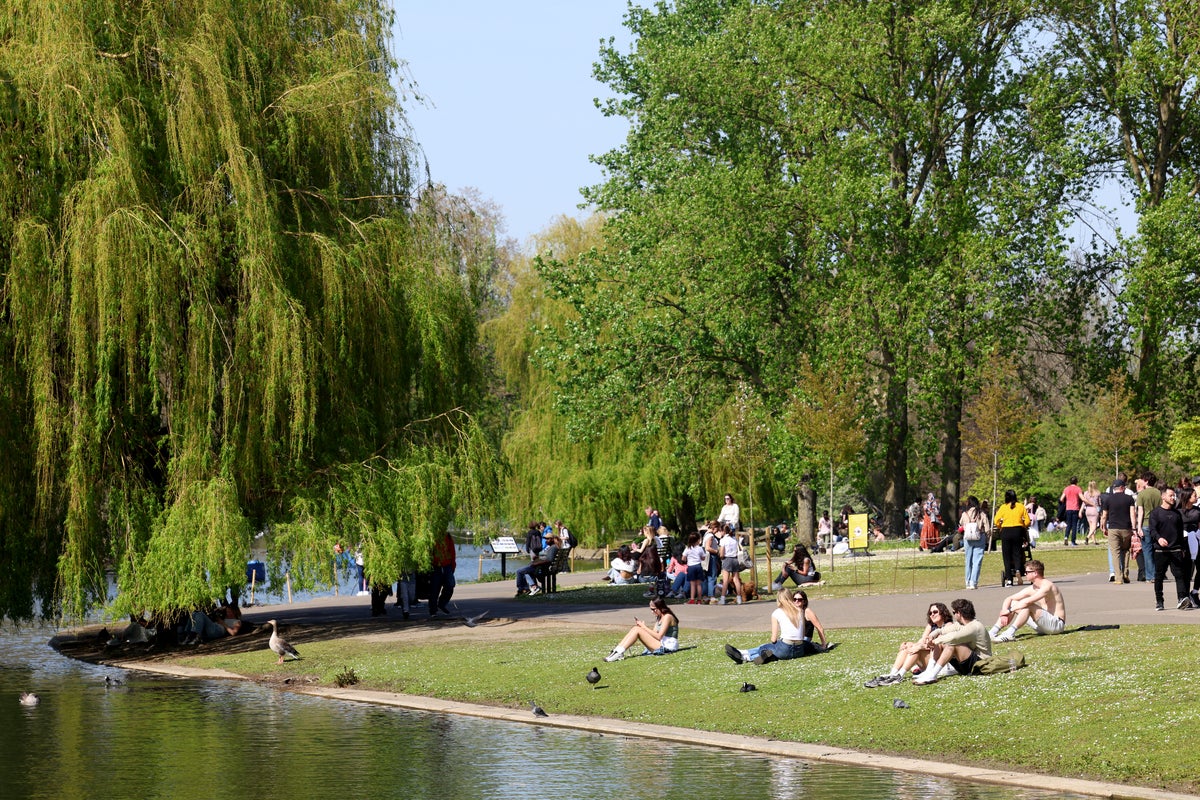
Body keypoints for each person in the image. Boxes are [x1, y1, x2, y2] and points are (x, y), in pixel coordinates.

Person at [724, 589, 826, 665]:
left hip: (785, 649)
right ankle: (744, 655)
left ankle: (745, 656)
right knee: (772, 648)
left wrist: (777, 642)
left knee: (765, 647)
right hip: (800, 650)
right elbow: (802, 633)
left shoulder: (777, 613)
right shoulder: (800, 611)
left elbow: (773, 639)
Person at [864, 602, 953, 687]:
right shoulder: (931, 626)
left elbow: (939, 645)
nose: (932, 615)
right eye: (930, 613)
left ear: (943, 612)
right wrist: (910, 645)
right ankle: (893, 674)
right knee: (908, 647)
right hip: (930, 659)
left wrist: (919, 647)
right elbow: (922, 641)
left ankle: (900, 675)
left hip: (941, 663)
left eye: (935, 612)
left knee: (916, 650)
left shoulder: (948, 626)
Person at [912, 598, 992, 685]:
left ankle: (932, 675)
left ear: (959, 613)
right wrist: (932, 636)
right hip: (967, 664)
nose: (953, 615)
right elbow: (941, 631)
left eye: (954, 612)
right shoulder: (960, 624)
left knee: (951, 644)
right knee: (942, 639)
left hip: (981, 664)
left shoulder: (975, 627)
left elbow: (954, 638)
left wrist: (934, 642)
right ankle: (929, 672)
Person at [988, 560, 1067, 641]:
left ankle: (1009, 633)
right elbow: (1009, 598)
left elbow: (1027, 602)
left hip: (1056, 625)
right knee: (1013, 603)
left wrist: (1009, 610)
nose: (1025, 574)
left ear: (1035, 573)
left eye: (1027, 572)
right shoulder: (1032, 588)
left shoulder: (1047, 586)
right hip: (1041, 625)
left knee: (1028, 605)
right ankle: (992, 632)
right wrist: (1005, 611)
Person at [1148, 486, 1195, 611]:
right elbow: (1152, 530)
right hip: (1160, 551)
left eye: (1174, 495)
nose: (1173, 497)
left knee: (1180, 575)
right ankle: (1159, 601)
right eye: (1170, 495)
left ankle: (1181, 599)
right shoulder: (1155, 513)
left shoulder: (1176, 514)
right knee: (1159, 576)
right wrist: (1159, 539)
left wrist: (1183, 548)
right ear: (1163, 497)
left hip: (1176, 549)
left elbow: (1180, 532)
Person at [604, 597, 679, 661]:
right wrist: (643, 628)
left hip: (668, 647)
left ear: (660, 607)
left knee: (637, 630)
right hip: (661, 643)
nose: (652, 612)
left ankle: (619, 653)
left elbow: (659, 636)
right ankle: (617, 651)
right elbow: (654, 635)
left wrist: (644, 627)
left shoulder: (667, 617)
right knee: (635, 628)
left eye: (654, 609)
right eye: (651, 609)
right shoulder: (659, 617)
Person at [1100, 476, 1136, 583]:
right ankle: (1125, 572)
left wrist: (1103, 526)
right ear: (1121, 487)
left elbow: (1104, 515)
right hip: (1126, 528)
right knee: (1126, 551)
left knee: (1115, 553)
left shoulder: (1108, 499)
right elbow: (1132, 514)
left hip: (1113, 528)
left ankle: (1118, 577)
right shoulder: (1129, 499)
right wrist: (1133, 528)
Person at [993, 490, 1031, 587]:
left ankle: (1009, 579)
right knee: (1017, 553)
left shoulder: (1003, 507)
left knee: (1006, 556)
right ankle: (1018, 570)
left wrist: (1000, 525)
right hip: (1017, 531)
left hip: (1006, 531)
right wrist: (1022, 525)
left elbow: (996, 520)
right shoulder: (1021, 506)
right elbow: (1027, 521)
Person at [1134, 472, 1161, 583]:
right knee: (1157, 550)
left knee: (1147, 550)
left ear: (1146, 481)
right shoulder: (1159, 493)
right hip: (1158, 524)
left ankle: (1151, 576)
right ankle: (1158, 573)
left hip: (1146, 523)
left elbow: (1141, 511)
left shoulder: (1142, 494)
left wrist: (1138, 527)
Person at [959, 495, 990, 589]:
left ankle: (967, 581)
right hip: (979, 536)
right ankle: (974, 582)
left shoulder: (965, 514)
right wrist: (987, 537)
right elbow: (987, 527)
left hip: (968, 538)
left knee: (968, 560)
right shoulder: (981, 513)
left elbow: (961, 524)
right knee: (977, 561)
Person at [428, 531, 456, 617]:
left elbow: (452, 551)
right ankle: (433, 611)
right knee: (434, 589)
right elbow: (429, 552)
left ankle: (441, 604)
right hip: (436, 566)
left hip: (447, 566)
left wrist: (452, 566)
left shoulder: (448, 536)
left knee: (450, 585)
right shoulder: (431, 536)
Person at [715, 524, 744, 605]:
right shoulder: (734, 539)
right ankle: (739, 598)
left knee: (725, 580)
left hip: (727, 559)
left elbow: (722, 553)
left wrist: (720, 557)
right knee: (736, 579)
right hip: (735, 559)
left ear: (723, 531)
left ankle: (723, 598)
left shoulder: (723, 540)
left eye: (721, 531)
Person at [682, 532, 707, 604]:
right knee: (699, 584)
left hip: (691, 566)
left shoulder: (688, 548)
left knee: (692, 584)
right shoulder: (700, 548)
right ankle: (699, 599)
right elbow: (703, 558)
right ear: (698, 540)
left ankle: (692, 599)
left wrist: (687, 559)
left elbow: (683, 558)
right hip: (698, 566)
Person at [1060, 477, 1083, 546]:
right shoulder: (1078, 488)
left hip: (1068, 509)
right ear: (1076, 482)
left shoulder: (1066, 489)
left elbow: (1061, 499)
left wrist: (1066, 502)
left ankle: (1066, 537)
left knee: (1068, 525)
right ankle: (1073, 541)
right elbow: (1082, 497)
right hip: (1075, 508)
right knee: (1074, 526)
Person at [1081, 480, 1102, 545]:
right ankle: (1087, 537)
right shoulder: (1098, 493)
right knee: (1094, 526)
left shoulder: (1086, 493)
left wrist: (1080, 510)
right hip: (1094, 510)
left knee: (1091, 526)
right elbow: (1099, 503)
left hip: (1088, 510)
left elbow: (1084, 503)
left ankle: (1094, 541)